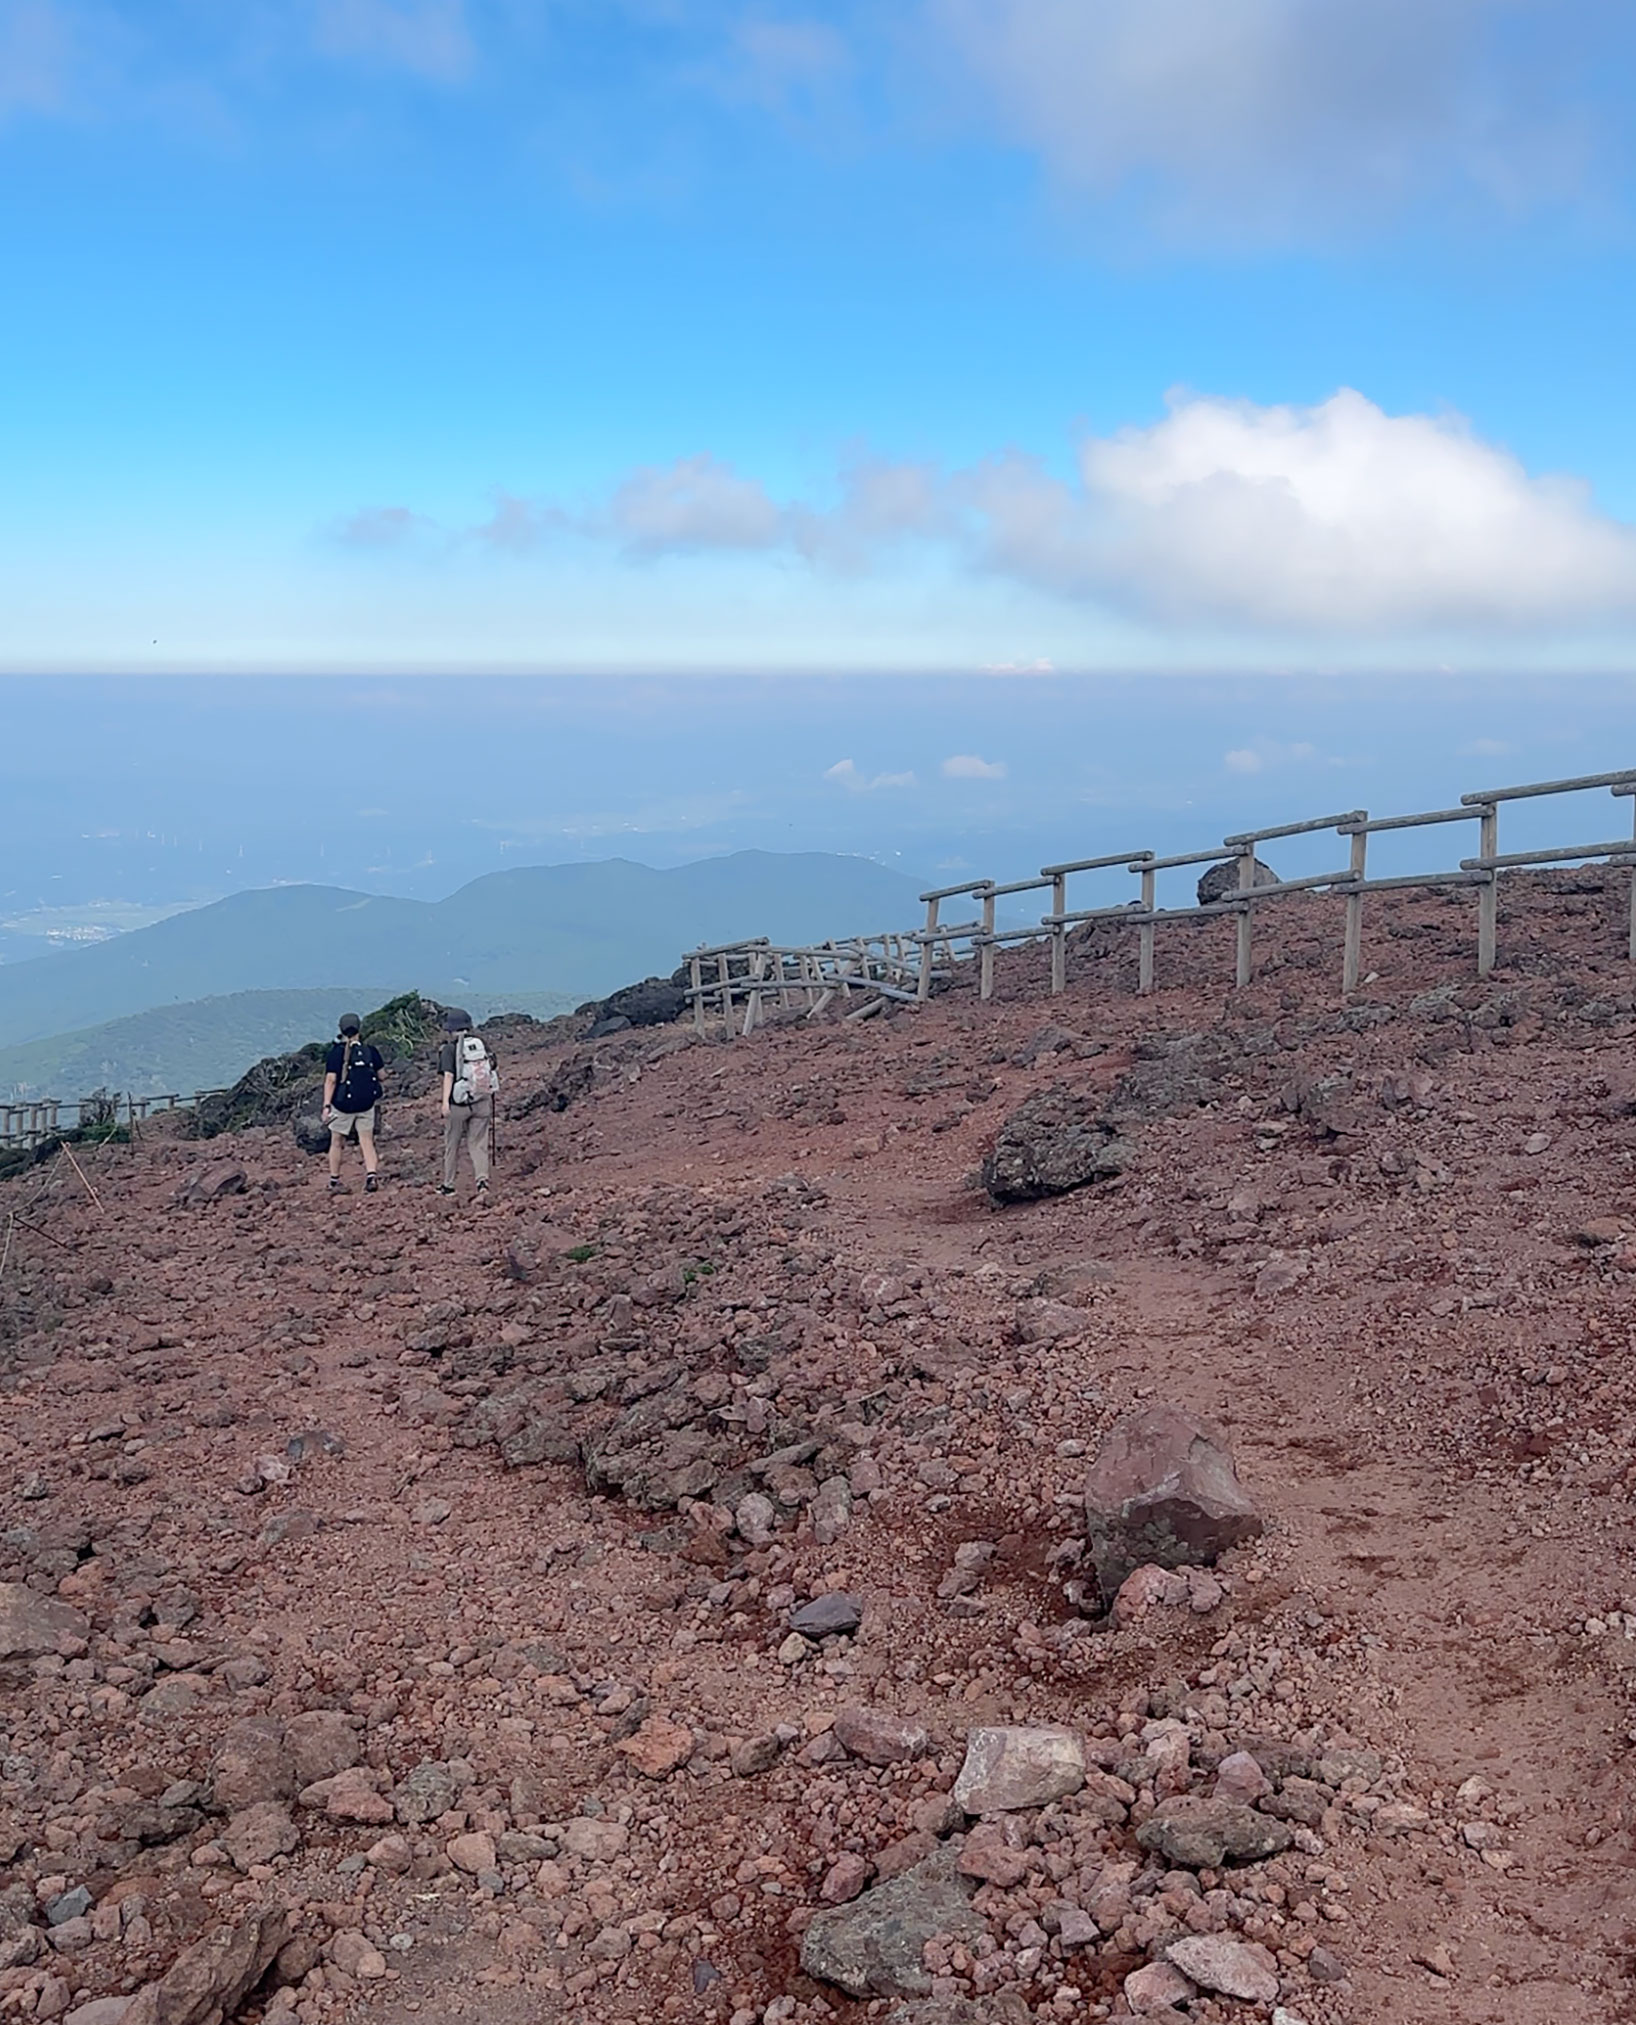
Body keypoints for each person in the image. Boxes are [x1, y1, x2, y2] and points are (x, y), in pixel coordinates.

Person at [438, 1008, 498, 1196]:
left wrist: (445, 1103)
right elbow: (493, 1067)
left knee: (452, 1144)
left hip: (459, 1105)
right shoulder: (481, 1044)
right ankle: (482, 1182)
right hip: (482, 1102)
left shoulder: (449, 1049)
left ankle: (448, 1185)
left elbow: (448, 1076)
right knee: (478, 1143)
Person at [322, 1012, 385, 1192]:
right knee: (367, 1140)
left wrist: (327, 1105)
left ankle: (334, 1180)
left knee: (336, 1142)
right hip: (366, 1104)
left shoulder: (336, 1053)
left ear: (341, 1030)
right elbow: (382, 1075)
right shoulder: (370, 1051)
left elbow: (331, 1080)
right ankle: (371, 1176)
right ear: (359, 1029)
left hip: (342, 1105)